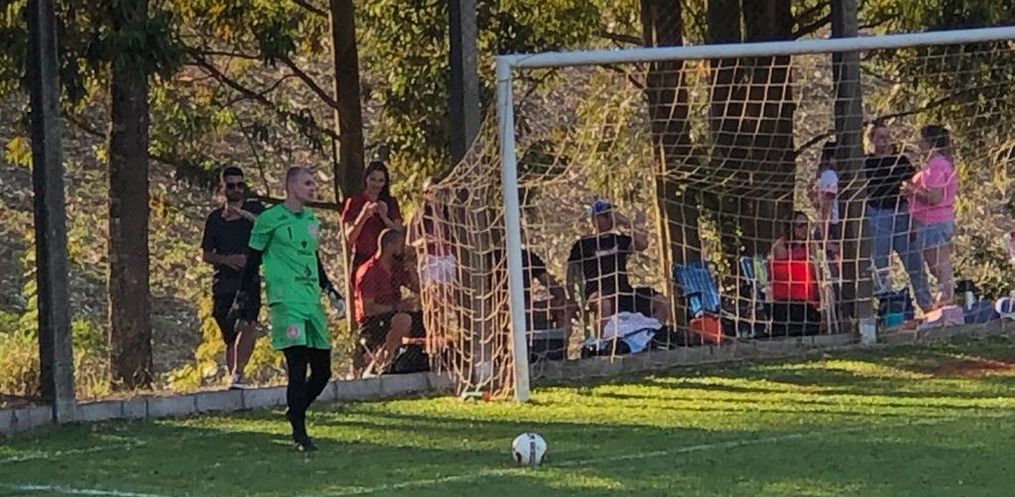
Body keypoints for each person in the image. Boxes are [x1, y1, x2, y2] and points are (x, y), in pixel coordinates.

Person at [235, 166, 344, 452]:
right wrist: (243, 297)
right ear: (291, 186)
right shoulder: (269, 220)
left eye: (313, 183)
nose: (313, 188)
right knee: (297, 364)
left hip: (311, 301)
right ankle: (300, 434)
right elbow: (252, 260)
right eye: (307, 183)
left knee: (323, 371)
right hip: (285, 301)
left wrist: (331, 290)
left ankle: (295, 409)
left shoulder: (311, 220)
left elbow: (314, 260)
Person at [200, 166, 264, 389]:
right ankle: (234, 381)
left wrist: (241, 214)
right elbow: (206, 254)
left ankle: (238, 373)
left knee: (248, 325)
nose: (236, 189)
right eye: (231, 185)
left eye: (240, 185)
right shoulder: (215, 219)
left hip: (249, 280)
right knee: (230, 334)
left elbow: (268, 227)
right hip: (223, 283)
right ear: (223, 188)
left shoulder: (254, 209)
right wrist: (228, 260)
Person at [864, 121, 933, 312]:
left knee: (915, 263)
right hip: (877, 214)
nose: (884, 141)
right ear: (871, 139)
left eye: (887, 136)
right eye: (880, 137)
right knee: (880, 265)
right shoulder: (865, 163)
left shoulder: (900, 161)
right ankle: (885, 307)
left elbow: (915, 186)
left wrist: (913, 216)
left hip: (902, 213)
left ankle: (926, 306)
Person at [566, 200, 668, 326]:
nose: (609, 218)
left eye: (610, 215)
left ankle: (655, 332)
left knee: (661, 302)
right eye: (605, 216)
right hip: (597, 293)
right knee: (605, 304)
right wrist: (572, 299)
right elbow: (570, 274)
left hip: (623, 291)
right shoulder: (583, 244)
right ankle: (605, 337)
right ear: (594, 219)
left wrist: (625, 222)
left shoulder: (619, 240)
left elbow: (642, 244)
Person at [903, 124, 958, 309]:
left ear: (930, 143)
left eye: (922, 141)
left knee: (939, 266)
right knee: (938, 265)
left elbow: (934, 197)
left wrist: (911, 190)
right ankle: (945, 300)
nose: (919, 144)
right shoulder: (941, 164)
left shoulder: (935, 167)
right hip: (935, 221)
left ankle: (946, 301)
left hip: (932, 222)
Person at [353, 229, 420, 374]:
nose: (402, 249)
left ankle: (414, 360)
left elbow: (417, 288)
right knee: (403, 320)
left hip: (393, 313)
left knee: (420, 318)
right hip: (373, 320)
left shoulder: (396, 268)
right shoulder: (369, 271)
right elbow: (368, 309)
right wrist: (397, 307)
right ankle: (387, 361)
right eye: (400, 246)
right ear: (390, 246)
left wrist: (411, 268)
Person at [342, 161, 403, 279]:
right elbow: (349, 238)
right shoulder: (354, 202)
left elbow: (399, 234)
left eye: (381, 181)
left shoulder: (391, 202)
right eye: (373, 179)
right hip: (362, 258)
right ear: (366, 179)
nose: (377, 184)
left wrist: (384, 217)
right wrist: (364, 215)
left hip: (387, 261)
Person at [811, 140, 841, 246]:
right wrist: (826, 238)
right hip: (833, 227)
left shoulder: (825, 175)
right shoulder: (829, 175)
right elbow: (825, 208)